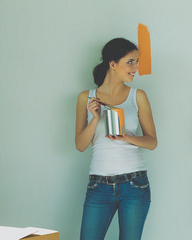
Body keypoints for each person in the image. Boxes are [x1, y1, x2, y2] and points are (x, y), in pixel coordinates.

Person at [75, 38, 157, 240]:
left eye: (137, 62)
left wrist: (126, 137)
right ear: (112, 64)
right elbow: (80, 145)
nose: (136, 67)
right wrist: (95, 119)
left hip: (135, 185)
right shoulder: (86, 97)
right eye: (131, 62)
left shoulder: (138, 96)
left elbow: (152, 141)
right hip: (98, 186)